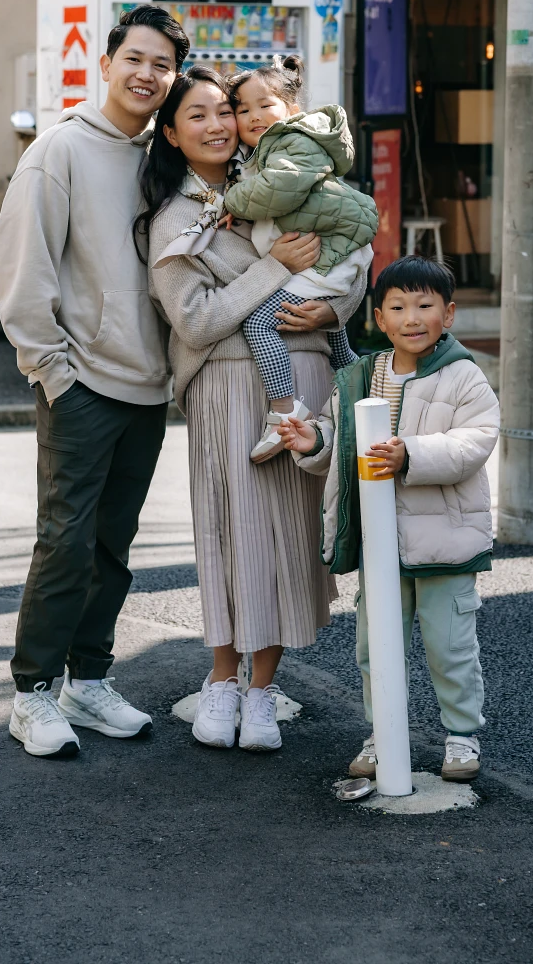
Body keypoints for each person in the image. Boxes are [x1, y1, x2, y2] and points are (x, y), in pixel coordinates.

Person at [141, 67, 368, 753]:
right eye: (199, 115)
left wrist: (334, 306)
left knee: (288, 538)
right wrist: (272, 271)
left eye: (224, 112)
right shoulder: (176, 217)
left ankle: (263, 690)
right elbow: (196, 322)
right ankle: (220, 680)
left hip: (302, 374)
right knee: (228, 532)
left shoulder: (279, 182)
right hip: (224, 384)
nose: (217, 125)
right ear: (174, 135)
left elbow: (347, 257)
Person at [0, 4, 189, 759]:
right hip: (79, 386)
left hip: (146, 388)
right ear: (105, 62)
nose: (147, 75)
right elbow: (23, 272)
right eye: (135, 59)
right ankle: (32, 693)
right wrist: (54, 373)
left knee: (113, 546)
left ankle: (89, 680)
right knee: (64, 543)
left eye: (162, 66)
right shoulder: (60, 151)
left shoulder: (161, 158)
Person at [280, 255, 499, 783]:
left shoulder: (463, 375)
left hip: (444, 542)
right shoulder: (359, 375)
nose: (412, 318)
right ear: (378, 319)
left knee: (450, 647)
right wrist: (315, 442)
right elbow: (341, 439)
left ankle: (462, 737)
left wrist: (412, 456)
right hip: (380, 542)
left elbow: (476, 439)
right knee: (376, 648)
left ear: (449, 313)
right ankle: (384, 735)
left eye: (425, 306)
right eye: (398, 307)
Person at [219, 55, 378, 464]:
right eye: (242, 109)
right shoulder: (279, 146)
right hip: (336, 247)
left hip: (329, 251)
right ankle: (356, 376)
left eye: (264, 105)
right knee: (332, 328)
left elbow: (280, 191)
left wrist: (233, 200)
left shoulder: (292, 141)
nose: (253, 116)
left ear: (291, 110)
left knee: (259, 322)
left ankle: (285, 409)